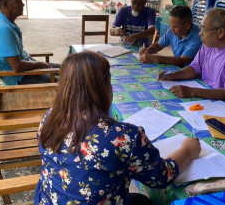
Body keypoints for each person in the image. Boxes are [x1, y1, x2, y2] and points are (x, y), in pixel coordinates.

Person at [35, 51, 201, 205]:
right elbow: (160, 177)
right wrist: (187, 151)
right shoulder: (123, 136)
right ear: (105, 88)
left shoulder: (49, 118)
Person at [158, 8, 225, 112]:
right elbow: (195, 67)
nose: (200, 33)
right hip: (208, 99)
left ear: (220, 32)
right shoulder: (209, 43)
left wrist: (192, 91)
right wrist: (173, 75)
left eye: (204, 29)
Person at [0, 0, 56, 86]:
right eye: (18, 1)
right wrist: (40, 64)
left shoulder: (6, 22)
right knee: (70, 81)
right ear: (5, 4)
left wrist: (34, 62)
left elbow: (19, 54)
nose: (23, 4)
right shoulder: (4, 29)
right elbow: (17, 66)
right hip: (20, 79)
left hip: (26, 70)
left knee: (69, 69)